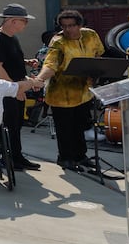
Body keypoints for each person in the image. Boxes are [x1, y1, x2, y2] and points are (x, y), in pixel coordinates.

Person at [33, 9, 105, 171]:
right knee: (65, 128)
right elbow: (50, 65)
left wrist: (96, 72)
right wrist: (39, 79)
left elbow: (98, 54)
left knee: (79, 126)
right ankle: (65, 158)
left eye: (71, 25)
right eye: (64, 26)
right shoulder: (58, 42)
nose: (67, 29)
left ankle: (81, 156)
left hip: (83, 91)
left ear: (80, 25)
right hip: (61, 93)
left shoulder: (91, 35)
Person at [0, 3, 42, 171]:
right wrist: (15, 89)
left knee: (16, 124)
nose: (26, 23)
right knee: (9, 125)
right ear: (11, 21)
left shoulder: (12, 38)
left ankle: (17, 156)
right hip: (7, 90)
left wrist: (24, 62)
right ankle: (8, 157)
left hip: (16, 87)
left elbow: (9, 60)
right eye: (23, 20)